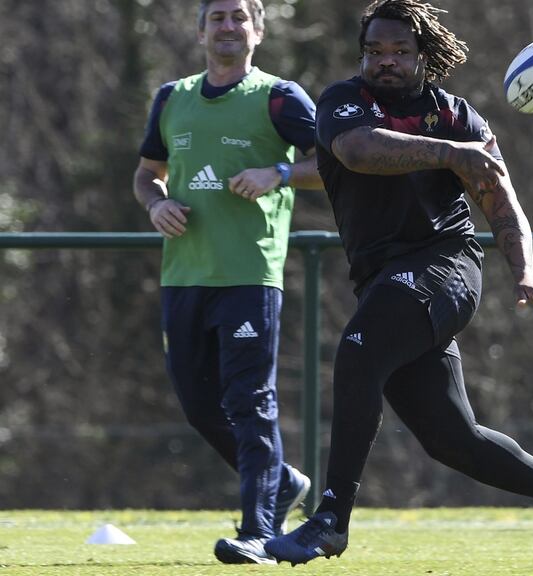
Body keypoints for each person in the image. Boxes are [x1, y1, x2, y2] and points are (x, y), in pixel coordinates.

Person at [264, 1, 533, 572]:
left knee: (357, 353)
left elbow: (500, 201)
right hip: (384, 282)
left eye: (400, 52)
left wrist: (525, 271)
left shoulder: (459, 119)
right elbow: (358, 151)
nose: (386, 62)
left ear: (424, 57)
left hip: (447, 267)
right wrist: (448, 154)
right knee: (453, 441)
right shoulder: (343, 102)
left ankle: (331, 518)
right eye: (375, 51)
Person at [132, 0, 323, 564]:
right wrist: (155, 205)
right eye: (217, 16)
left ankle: (260, 530)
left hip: (249, 275)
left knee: (249, 401)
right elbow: (147, 174)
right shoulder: (172, 98)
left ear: (259, 31)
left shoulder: (280, 98)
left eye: (240, 16)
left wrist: (280, 172)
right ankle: (282, 482)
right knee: (197, 403)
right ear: (200, 31)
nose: (228, 26)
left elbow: (334, 162)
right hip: (184, 276)